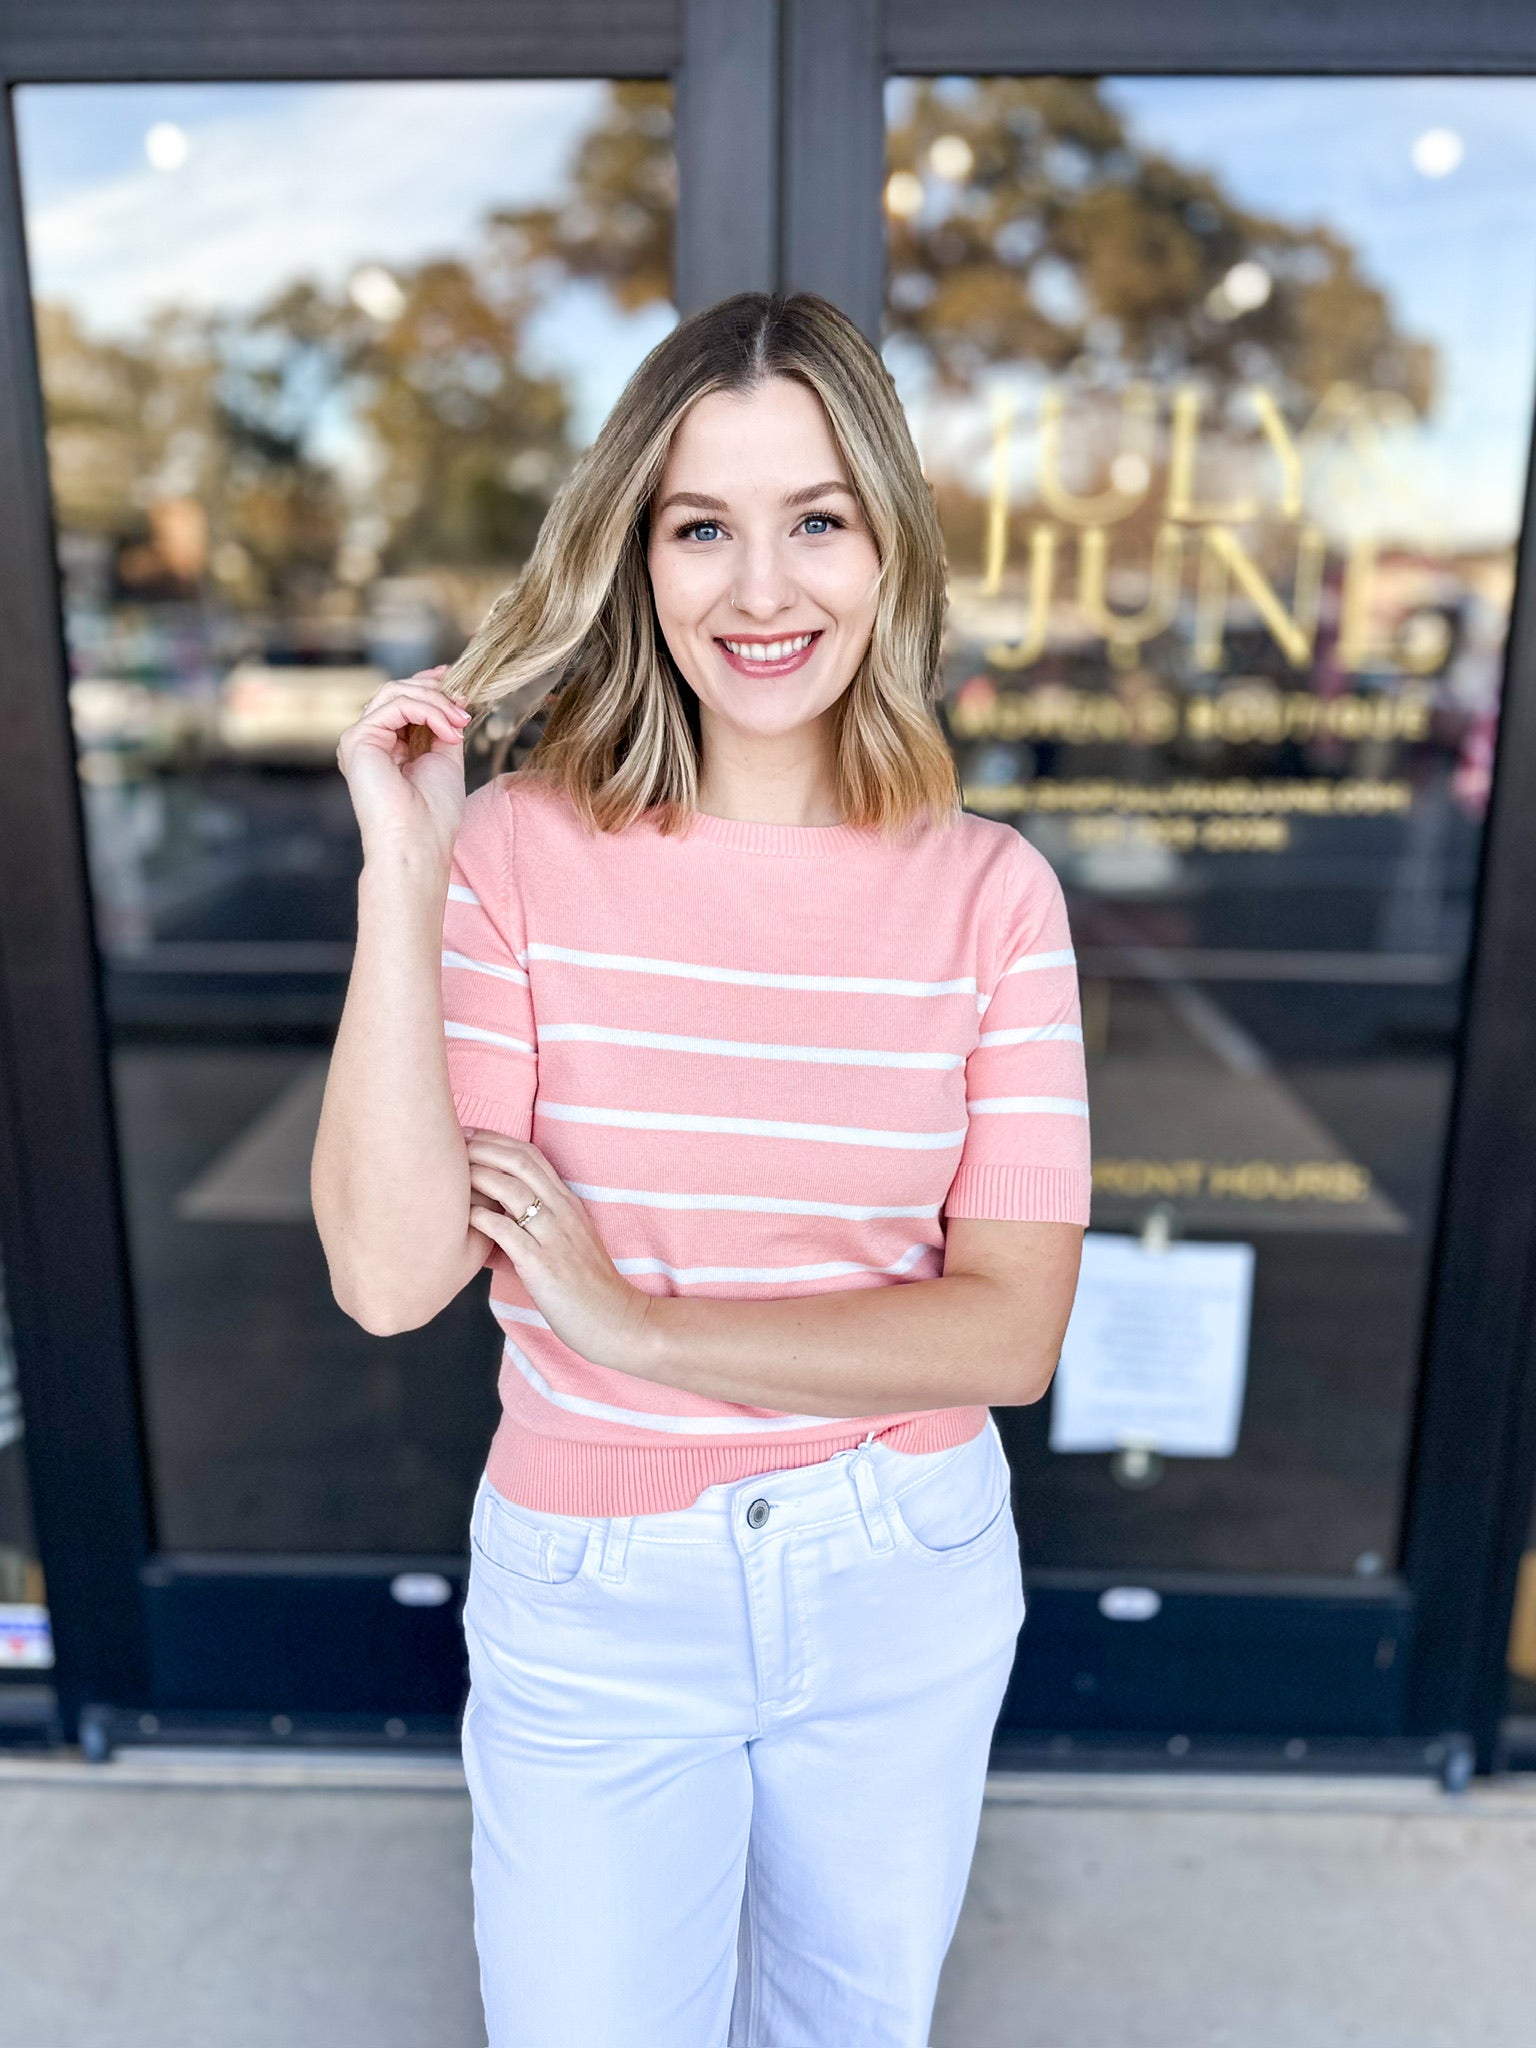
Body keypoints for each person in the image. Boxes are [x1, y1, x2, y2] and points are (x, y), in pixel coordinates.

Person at [312, 290, 1090, 2048]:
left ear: (889, 549)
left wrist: (639, 1327)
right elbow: (384, 1275)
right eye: (702, 526)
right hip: (597, 1591)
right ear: (636, 557)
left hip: (902, 1570)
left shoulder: (992, 896)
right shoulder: (514, 850)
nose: (761, 589)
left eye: (817, 519)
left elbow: (1006, 1338)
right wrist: (406, 876)